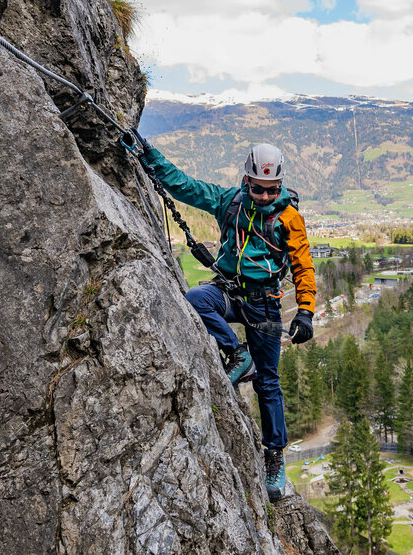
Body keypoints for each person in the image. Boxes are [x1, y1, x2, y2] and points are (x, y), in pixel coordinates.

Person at [134, 134, 316, 501]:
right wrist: (148, 154)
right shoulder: (228, 202)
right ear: (246, 180)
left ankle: (274, 458)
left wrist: (306, 311)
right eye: (258, 189)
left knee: (267, 384)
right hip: (231, 292)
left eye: (272, 190)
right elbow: (185, 185)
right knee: (196, 299)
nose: (265, 197)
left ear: (279, 185)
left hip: (265, 304)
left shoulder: (289, 219)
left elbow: (303, 265)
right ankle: (236, 352)